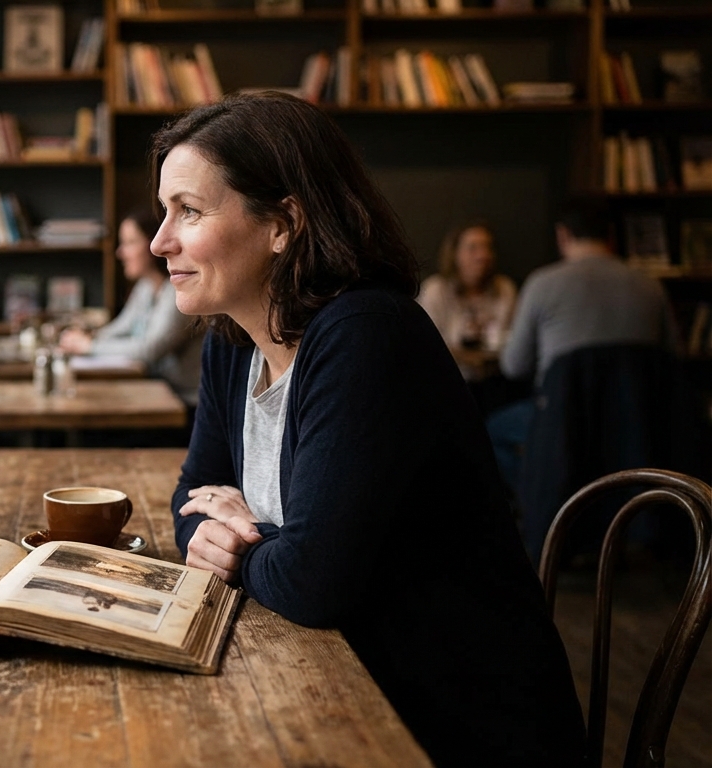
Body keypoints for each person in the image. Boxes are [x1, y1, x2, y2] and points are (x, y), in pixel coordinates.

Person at [158, 92, 584, 766]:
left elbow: (314, 582)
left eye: (188, 211)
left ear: (283, 223)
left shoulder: (365, 336)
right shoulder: (230, 341)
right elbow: (191, 502)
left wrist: (237, 548)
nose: (161, 241)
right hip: (336, 677)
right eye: (164, 213)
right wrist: (239, 537)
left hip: (449, 716)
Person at [487, 203, 678, 493]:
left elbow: (514, 366)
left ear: (563, 236)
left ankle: (542, 501)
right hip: (639, 428)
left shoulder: (542, 283)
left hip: (563, 426)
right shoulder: (651, 286)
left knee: (492, 432)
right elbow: (671, 359)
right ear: (612, 236)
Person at [58, 208, 202, 405]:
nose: (120, 252)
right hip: (158, 391)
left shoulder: (177, 293)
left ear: (154, 243)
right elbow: (121, 328)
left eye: (130, 243)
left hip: (183, 403)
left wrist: (89, 346)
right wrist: (87, 337)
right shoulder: (146, 287)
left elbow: (149, 351)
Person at [416, 221, 516, 383]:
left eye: (488, 247)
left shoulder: (504, 288)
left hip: (496, 382)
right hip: (447, 382)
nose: (483, 255)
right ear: (455, 254)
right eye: (473, 248)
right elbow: (428, 347)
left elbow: (512, 343)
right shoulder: (435, 291)